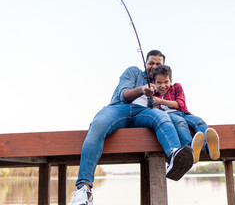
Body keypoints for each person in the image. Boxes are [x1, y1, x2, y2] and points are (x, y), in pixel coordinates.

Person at [70, 50, 194, 205]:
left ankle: (175, 154)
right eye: (151, 63)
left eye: (158, 64)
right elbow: (124, 94)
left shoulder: (161, 83)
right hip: (119, 108)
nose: (154, 66)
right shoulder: (133, 72)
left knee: (163, 117)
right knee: (98, 125)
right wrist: (142, 90)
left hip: (144, 113)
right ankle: (83, 189)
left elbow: (172, 108)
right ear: (145, 63)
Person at [152, 65, 220, 164]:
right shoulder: (153, 94)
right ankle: (190, 150)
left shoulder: (176, 87)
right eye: (159, 82)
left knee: (198, 121)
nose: (163, 85)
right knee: (180, 122)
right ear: (154, 83)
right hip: (169, 116)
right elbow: (155, 110)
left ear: (170, 81)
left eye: (166, 82)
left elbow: (180, 104)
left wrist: (160, 101)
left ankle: (209, 148)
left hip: (183, 113)